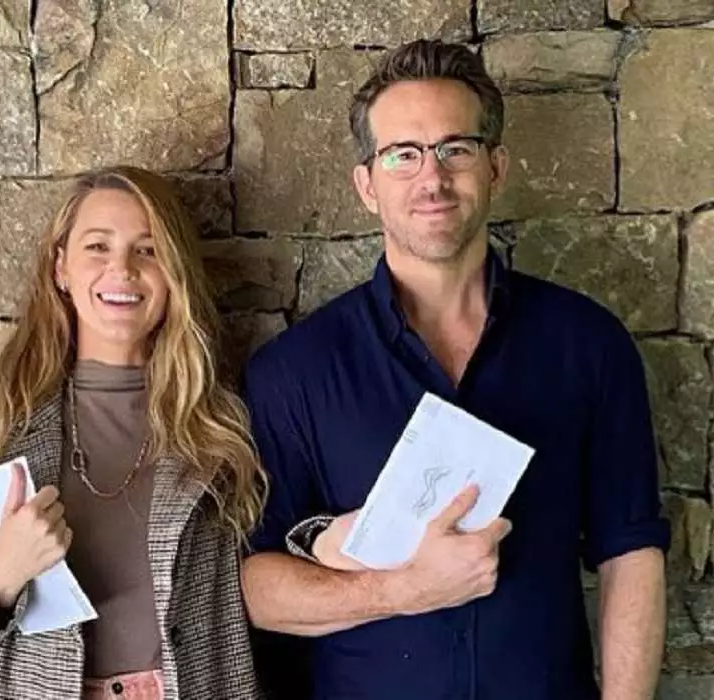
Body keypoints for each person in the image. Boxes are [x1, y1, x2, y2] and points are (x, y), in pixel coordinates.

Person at [240, 40, 669, 699]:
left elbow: (630, 551)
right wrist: (404, 590)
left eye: (455, 149)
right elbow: (257, 588)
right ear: (367, 185)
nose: (431, 177)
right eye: (403, 154)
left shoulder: (588, 344)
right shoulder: (293, 372)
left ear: (495, 167)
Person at [0, 166, 264, 700]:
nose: (121, 269)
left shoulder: (220, 425)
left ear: (173, 274)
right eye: (98, 247)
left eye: (147, 250)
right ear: (61, 268)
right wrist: (2, 574)